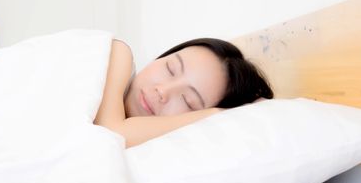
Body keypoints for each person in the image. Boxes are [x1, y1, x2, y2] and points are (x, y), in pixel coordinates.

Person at [94, 37, 274, 147]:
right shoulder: (117, 52)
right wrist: (217, 113)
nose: (162, 91)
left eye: (188, 101)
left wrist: (221, 116)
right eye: (170, 68)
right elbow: (111, 135)